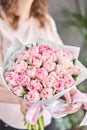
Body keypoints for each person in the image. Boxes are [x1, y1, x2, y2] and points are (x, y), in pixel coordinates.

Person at [0, 0, 82, 130]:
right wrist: (21, 99)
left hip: (46, 120)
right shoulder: (1, 23)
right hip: (12, 122)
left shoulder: (45, 21)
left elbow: (66, 64)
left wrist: (73, 94)